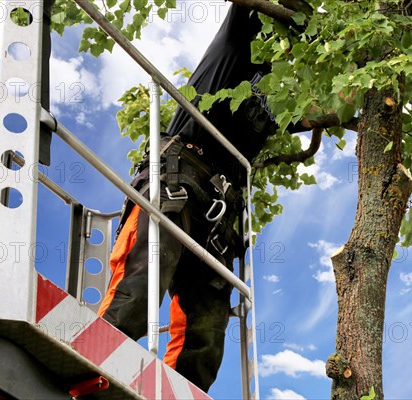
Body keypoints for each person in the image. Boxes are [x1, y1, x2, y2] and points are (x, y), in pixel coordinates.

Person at [98, 5, 280, 392]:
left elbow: (329, 105)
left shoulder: (288, 91)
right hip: (181, 175)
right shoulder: (238, 43)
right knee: (142, 282)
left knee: (207, 332)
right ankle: (93, 371)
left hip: (221, 214)